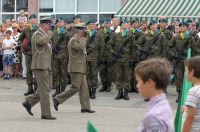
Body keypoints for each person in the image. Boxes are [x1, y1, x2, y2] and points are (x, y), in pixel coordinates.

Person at [53, 22, 95, 113]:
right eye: (83, 30)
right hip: (76, 67)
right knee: (75, 87)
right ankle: (58, 99)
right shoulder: (74, 40)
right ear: (79, 30)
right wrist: (84, 38)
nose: (84, 31)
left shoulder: (78, 39)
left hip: (81, 67)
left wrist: (83, 38)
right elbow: (81, 47)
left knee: (84, 88)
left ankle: (85, 107)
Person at [22, 17, 56, 120]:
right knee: (45, 90)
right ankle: (46, 113)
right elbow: (42, 42)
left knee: (48, 87)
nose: (50, 27)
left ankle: (29, 102)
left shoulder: (44, 34)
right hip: (40, 66)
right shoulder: (37, 34)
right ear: (43, 25)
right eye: (48, 25)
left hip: (46, 65)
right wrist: (50, 33)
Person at [135, 58, 174, 131]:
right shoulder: (163, 104)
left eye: (138, 81)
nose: (137, 85)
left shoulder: (154, 115)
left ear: (150, 83)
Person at [18, 14, 39, 96]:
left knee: (36, 70)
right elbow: (19, 39)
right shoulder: (26, 29)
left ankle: (36, 87)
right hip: (28, 53)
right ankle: (30, 88)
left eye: (34, 18)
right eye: (31, 18)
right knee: (29, 71)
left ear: (36, 20)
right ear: (29, 20)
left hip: (37, 53)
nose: (33, 20)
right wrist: (23, 46)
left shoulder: (39, 29)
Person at [51, 17, 70, 97]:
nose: (59, 23)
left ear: (64, 23)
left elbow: (69, 45)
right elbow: (49, 42)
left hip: (64, 56)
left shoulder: (67, 33)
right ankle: (57, 89)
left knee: (63, 73)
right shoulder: (54, 32)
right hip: (55, 56)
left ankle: (63, 89)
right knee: (56, 72)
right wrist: (52, 48)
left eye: (61, 22)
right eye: (58, 22)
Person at [181, 56, 200, 131]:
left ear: (192, 72)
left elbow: (190, 117)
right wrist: (185, 110)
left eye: (185, 70)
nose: (185, 73)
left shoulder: (193, 92)